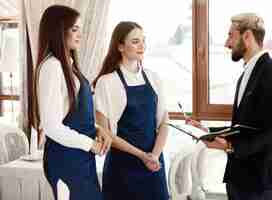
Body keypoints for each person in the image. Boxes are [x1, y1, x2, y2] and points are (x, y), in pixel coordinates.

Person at [187, 13, 272, 200]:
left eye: (230, 36)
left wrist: (231, 146)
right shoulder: (247, 74)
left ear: (247, 36)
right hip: (239, 178)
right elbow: (246, 126)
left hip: (260, 183)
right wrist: (208, 130)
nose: (227, 43)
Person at [32, 5, 111, 200]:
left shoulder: (69, 67)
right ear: (59, 30)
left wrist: (97, 129)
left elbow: (71, 114)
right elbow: (51, 126)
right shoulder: (52, 67)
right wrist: (89, 143)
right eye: (74, 29)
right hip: (65, 159)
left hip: (80, 158)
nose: (80, 35)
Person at [93, 21, 169, 200]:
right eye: (135, 41)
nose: (142, 46)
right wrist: (143, 156)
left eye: (143, 40)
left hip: (154, 165)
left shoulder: (154, 78)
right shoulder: (107, 82)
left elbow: (164, 123)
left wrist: (154, 155)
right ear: (120, 46)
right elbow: (106, 134)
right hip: (123, 168)